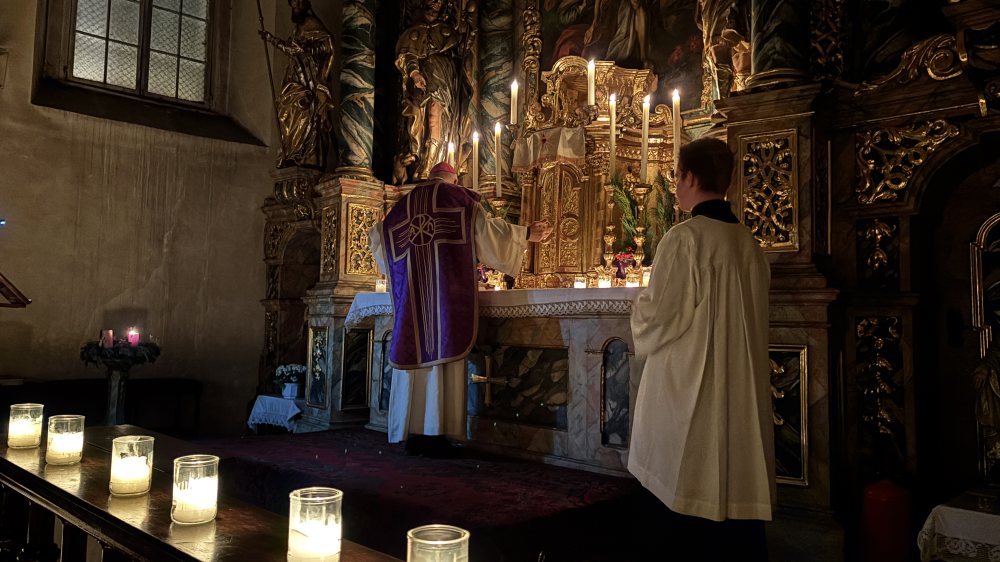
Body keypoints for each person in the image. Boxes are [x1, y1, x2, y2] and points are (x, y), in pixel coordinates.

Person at [628, 137, 773, 559]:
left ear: (689, 177)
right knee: (733, 477)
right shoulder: (748, 242)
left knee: (686, 475)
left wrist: (637, 305)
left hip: (690, 381)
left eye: (677, 175)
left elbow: (660, 317)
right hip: (739, 384)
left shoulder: (684, 238)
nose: (675, 184)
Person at [368, 162, 552, 456]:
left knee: (417, 355)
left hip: (413, 299)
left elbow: (378, 238)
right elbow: (487, 233)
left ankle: (411, 432)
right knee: (442, 358)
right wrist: (525, 232)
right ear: (453, 179)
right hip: (444, 297)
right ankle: (435, 434)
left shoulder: (405, 205)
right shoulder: (458, 199)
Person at [393, 0, 476, 184]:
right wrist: (414, 74)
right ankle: (427, 164)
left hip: (446, 78)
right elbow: (408, 54)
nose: (436, 4)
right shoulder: (414, 31)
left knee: (441, 117)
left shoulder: (447, 30)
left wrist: (468, 31)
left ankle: (436, 164)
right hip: (427, 77)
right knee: (427, 116)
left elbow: (461, 52)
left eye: (439, 1)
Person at [259, 0, 335, 169]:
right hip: (295, 76)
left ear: (306, 6)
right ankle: (291, 153)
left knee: (304, 109)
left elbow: (328, 45)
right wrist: (271, 39)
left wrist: (308, 50)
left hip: (309, 78)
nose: (296, 8)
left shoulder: (311, 24)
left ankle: (303, 155)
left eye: (299, 4)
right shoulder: (297, 29)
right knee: (285, 109)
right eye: (294, 5)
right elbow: (290, 48)